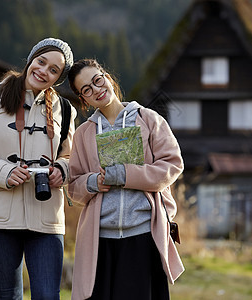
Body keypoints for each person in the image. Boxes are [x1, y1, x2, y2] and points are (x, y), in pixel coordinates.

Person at [0, 37, 76, 300]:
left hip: (46, 215)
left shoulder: (65, 110)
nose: (43, 71)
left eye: (53, 70)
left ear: (58, 78)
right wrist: (5, 172)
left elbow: (71, 157)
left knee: (48, 296)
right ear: (31, 59)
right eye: (41, 62)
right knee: (8, 296)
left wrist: (62, 169)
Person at [67, 58, 185, 300]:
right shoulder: (83, 134)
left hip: (143, 235)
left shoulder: (149, 119)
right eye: (86, 90)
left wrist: (125, 174)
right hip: (99, 240)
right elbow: (73, 187)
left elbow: (172, 165)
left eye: (97, 80)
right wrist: (92, 183)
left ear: (108, 78)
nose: (96, 90)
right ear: (83, 100)